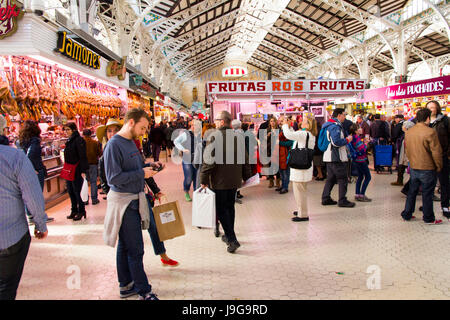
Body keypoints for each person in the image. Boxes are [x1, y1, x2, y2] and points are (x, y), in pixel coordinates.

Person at [103, 108, 160, 300]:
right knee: (136, 249)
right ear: (131, 123)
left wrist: (149, 167)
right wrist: (141, 174)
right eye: (142, 128)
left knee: (126, 246)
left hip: (135, 199)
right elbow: (113, 178)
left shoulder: (130, 143)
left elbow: (135, 168)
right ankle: (144, 291)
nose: (144, 132)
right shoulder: (113, 145)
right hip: (124, 203)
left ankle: (125, 285)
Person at [0, 126, 48, 300]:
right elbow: (32, 196)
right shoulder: (14, 157)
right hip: (10, 239)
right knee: (6, 287)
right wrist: (40, 224)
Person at [200, 111, 253, 253]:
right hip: (235, 180)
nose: (215, 122)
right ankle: (229, 235)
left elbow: (208, 161)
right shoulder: (238, 137)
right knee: (230, 208)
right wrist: (246, 176)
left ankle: (232, 239)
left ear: (222, 122)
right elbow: (245, 159)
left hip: (220, 181)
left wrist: (203, 179)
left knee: (222, 209)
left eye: (217, 120)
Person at [401, 108, 443, 225]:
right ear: (427, 118)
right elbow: (436, 152)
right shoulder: (430, 132)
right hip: (428, 167)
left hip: (414, 166)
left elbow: (407, 150)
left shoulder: (409, 132)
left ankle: (407, 214)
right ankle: (428, 218)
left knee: (412, 192)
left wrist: (412, 162)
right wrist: (439, 166)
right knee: (427, 193)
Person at [18, 120, 54, 224]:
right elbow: (31, 154)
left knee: (28, 194)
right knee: (37, 194)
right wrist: (31, 167)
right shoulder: (35, 140)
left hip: (24, 171)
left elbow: (22, 155)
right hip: (36, 170)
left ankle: (30, 215)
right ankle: (40, 216)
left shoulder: (20, 141)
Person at [281, 114, 316, 222]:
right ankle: (301, 209)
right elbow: (293, 135)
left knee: (299, 191)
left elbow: (288, 135)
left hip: (299, 167)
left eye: (304, 120)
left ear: (308, 124)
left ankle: (303, 214)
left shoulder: (303, 134)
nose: (301, 122)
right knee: (302, 190)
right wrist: (289, 125)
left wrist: (285, 125)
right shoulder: (309, 134)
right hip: (305, 165)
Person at [321, 108, 355, 208]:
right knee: (342, 179)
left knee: (330, 179)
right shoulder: (335, 126)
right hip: (336, 157)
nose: (345, 117)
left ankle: (325, 198)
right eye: (344, 115)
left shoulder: (328, 125)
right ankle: (342, 200)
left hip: (329, 157)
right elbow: (336, 142)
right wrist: (347, 140)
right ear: (339, 115)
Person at [426, 101, 450, 218]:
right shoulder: (423, 121)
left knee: (444, 182)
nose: (431, 109)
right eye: (429, 107)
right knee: (429, 182)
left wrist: (447, 153)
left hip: (442, 156)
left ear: (437, 108)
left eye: (433, 107)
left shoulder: (445, 121)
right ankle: (427, 204)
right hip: (428, 157)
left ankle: (445, 205)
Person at [62, 122, 89, 221]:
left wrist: (83, 170)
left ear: (73, 130)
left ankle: (81, 211)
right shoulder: (69, 140)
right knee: (70, 190)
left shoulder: (78, 140)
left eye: (68, 130)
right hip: (69, 169)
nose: (66, 132)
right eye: (65, 130)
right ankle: (74, 210)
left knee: (77, 191)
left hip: (76, 170)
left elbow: (82, 156)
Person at [174, 119, 202, 202]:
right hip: (187, 159)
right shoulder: (187, 134)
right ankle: (186, 191)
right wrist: (183, 149)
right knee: (188, 177)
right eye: (192, 125)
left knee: (197, 178)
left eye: (195, 125)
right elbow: (176, 141)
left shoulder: (201, 135)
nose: (193, 127)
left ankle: (196, 193)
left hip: (198, 159)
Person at [348, 124, 371, 202]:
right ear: (356, 131)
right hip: (361, 160)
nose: (361, 129)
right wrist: (365, 143)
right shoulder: (356, 138)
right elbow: (362, 150)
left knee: (360, 176)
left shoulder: (352, 138)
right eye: (359, 128)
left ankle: (357, 194)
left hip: (356, 160)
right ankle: (362, 194)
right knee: (368, 177)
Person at [83, 128, 102, 205]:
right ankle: (94, 199)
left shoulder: (81, 143)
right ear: (90, 134)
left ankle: (86, 199)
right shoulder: (95, 142)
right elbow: (99, 153)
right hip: (93, 164)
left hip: (84, 165)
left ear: (83, 135)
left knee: (85, 182)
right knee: (93, 181)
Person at [278, 119, 294, 194]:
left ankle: (285, 187)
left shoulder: (290, 131)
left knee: (285, 172)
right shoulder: (281, 130)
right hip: (280, 154)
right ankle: (283, 185)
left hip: (287, 154)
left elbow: (290, 143)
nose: (281, 122)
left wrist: (279, 142)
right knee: (281, 171)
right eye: (280, 121)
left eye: (282, 121)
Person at [265, 117, 281, 189]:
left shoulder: (279, 130)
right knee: (270, 166)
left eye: (274, 121)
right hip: (269, 150)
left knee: (277, 166)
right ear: (269, 123)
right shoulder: (267, 130)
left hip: (278, 150)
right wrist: (267, 136)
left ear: (276, 122)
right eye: (271, 121)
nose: (272, 122)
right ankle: (271, 181)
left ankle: (278, 181)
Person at [391, 115, 406, 186]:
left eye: (396, 118)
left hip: (399, 144)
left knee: (400, 159)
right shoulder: (405, 123)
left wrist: (392, 140)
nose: (395, 120)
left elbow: (395, 134)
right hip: (403, 144)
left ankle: (399, 180)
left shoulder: (399, 125)